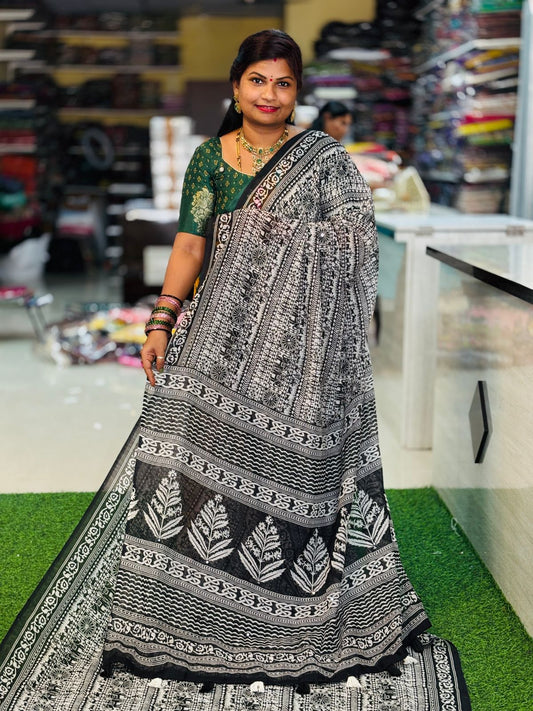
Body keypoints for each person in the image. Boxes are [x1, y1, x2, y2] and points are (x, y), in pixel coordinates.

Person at [0, 29, 470, 711]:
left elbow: (355, 244)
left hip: (303, 354)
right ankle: (189, 597)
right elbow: (190, 246)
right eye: (258, 80)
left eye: (283, 83)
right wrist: (161, 320)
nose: (269, 95)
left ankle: (286, 598)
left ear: (297, 92)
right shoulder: (209, 159)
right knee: (180, 452)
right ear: (235, 85)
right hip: (219, 339)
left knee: (299, 472)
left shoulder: (326, 162)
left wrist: (278, 244)